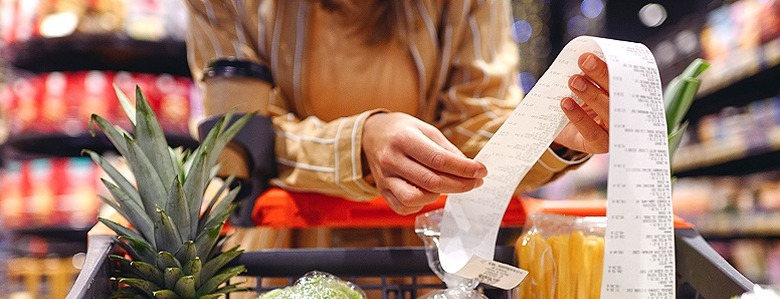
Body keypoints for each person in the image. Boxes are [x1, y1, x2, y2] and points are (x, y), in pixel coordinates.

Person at [183, 0, 610, 219]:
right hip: (280, 266)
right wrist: (358, 146)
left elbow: (475, 131)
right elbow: (238, 138)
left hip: (422, 269)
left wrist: (551, 135)